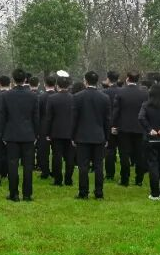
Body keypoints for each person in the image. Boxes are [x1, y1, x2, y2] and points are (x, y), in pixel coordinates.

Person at [0, 68, 39, 202]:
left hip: (11, 134)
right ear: (25, 79)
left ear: (13, 79)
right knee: (28, 166)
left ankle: (14, 194)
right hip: (28, 134)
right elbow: (36, 118)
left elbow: (2, 117)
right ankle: (27, 194)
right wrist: (36, 134)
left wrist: (3, 134)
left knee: (12, 165)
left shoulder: (6, 96)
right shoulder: (33, 96)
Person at [71, 71, 110, 199]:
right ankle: (99, 192)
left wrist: (72, 135)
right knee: (99, 166)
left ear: (85, 81)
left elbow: (74, 119)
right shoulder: (104, 98)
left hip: (82, 136)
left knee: (83, 166)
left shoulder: (77, 97)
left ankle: (83, 192)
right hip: (99, 136)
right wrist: (107, 137)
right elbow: (107, 120)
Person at [112, 72, 149, 187]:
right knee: (140, 154)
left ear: (127, 79)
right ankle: (139, 179)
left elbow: (116, 111)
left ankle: (125, 179)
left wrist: (114, 125)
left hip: (124, 127)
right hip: (140, 127)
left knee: (124, 154)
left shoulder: (120, 92)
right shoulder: (144, 93)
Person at [43, 75, 76, 187]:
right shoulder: (74, 98)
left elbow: (49, 118)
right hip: (70, 131)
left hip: (56, 131)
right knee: (70, 157)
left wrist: (47, 132)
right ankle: (68, 179)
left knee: (57, 156)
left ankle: (58, 180)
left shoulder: (52, 98)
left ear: (57, 86)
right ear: (68, 86)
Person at [102, 71, 122, 180]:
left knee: (110, 150)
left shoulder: (104, 92)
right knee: (123, 151)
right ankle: (124, 175)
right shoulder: (123, 91)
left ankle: (110, 174)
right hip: (121, 124)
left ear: (108, 79)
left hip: (109, 124)